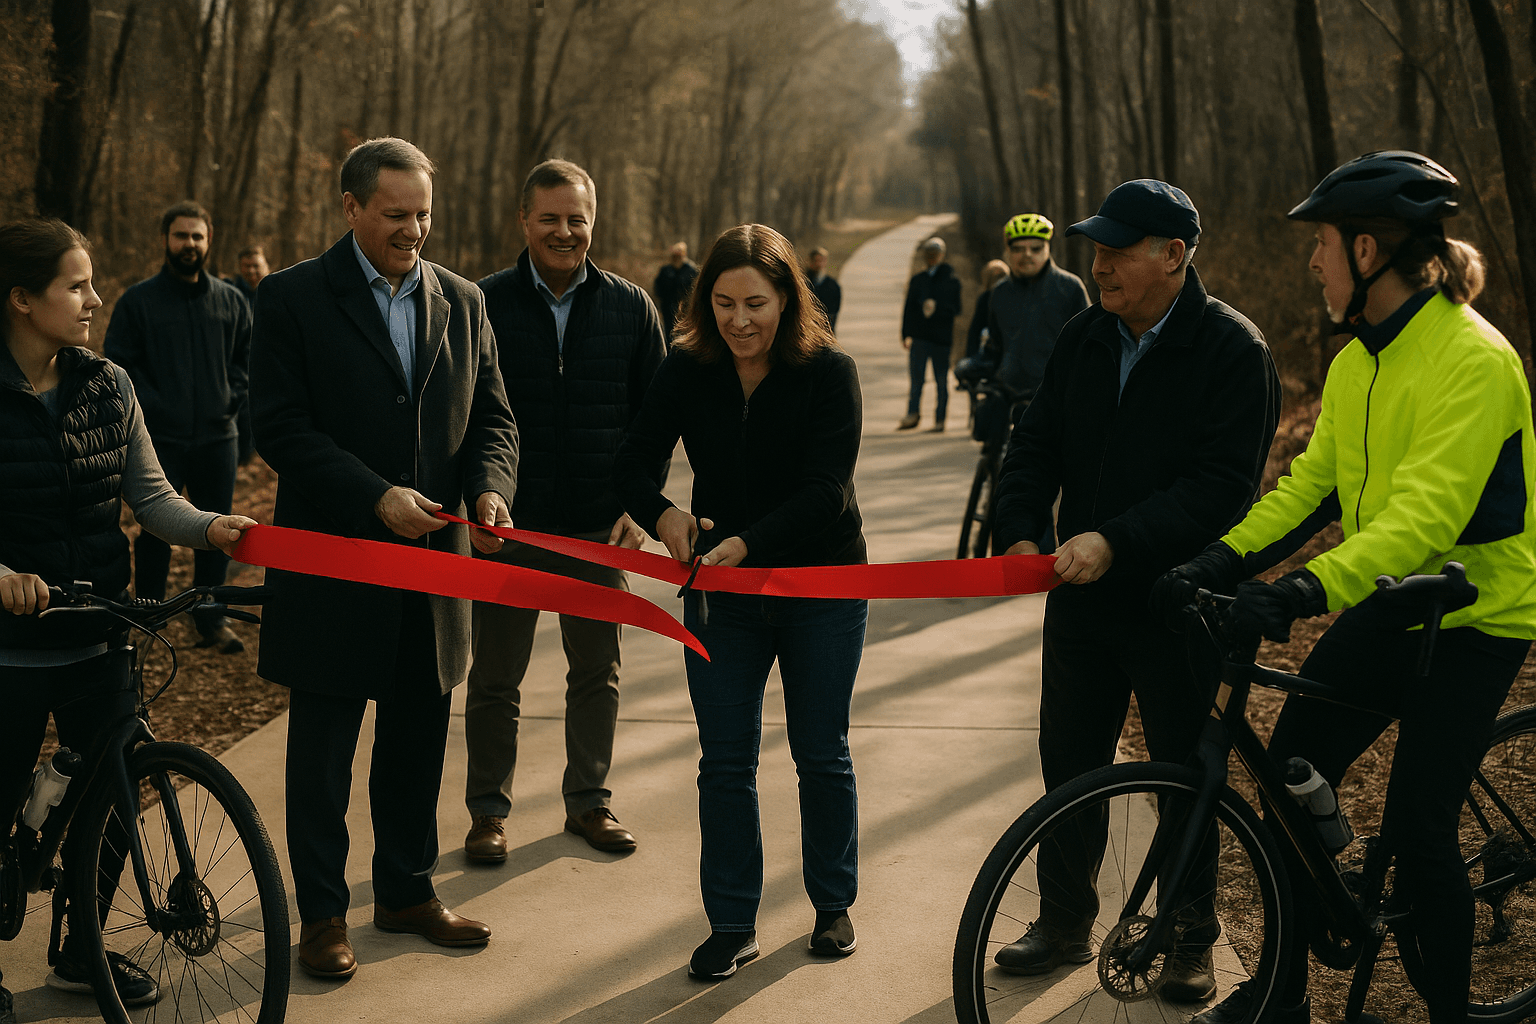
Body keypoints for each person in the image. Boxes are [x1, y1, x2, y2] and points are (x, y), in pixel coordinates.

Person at [1155, 152, 1536, 1024]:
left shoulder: (1474, 361)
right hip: (1391, 600)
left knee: (1420, 833)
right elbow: (1309, 488)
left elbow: (1423, 519)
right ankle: (1281, 996)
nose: (1313, 261)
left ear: (1368, 251)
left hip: (1476, 617)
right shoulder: (1359, 361)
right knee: (1290, 781)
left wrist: (1300, 592)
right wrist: (1219, 561)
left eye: (1322, 244)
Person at [989, 180, 1280, 1001]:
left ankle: (1189, 934)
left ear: (1174, 256)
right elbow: (1035, 442)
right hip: (1079, 602)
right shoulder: (1085, 335)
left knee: (1183, 776)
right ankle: (1064, 920)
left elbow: (1221, 490)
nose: (1100, 263)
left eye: (1118, 250)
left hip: (1177, 605)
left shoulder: (1234, 351)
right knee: (1069, 764)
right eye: (1098, 248)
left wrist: (1115, 541)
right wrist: (1018, 525)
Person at [249, 137, 519, 982]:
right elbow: (281, 428)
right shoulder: (292, 297)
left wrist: (488, 492)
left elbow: (495, 422)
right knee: (323, 756)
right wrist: (373, 496)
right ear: (351, 208)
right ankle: (323, 916)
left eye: (424, 214)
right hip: (334, 569)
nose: (415, 230)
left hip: (436, 572)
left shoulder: (466, 301)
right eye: (397, 215)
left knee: (416, 740)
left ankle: (406, 891)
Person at [0, 218, 255, 1019]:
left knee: (114, 792)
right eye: (76, 285)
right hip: (9, 648)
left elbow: (152, 498)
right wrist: (2, 577)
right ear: (19, 299)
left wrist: (212, 527)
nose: (95, 298)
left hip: (101, 629)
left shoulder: (108, 384)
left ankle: (80, 949)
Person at [613, 223, 868, 981]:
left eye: (756, 302)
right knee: (725, 764)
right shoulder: (686, 369)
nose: (739, 321)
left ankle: (832, 904)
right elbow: (630, 463)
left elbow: (829, 490)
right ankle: (731, 923)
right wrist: (664, 517)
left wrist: (751, 543)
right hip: (720, 596)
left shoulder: (830, 371)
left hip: (821, 587)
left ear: (788, 298)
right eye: (723, 304)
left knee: (820, 754)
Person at [465, 159, 666, 862]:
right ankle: (487, 812)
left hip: (596, 528)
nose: (564, 231)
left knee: (597, 674)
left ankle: (589, 802)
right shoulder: (481, 303)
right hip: (509, 529)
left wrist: (638, 509)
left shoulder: (631, 307)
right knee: (494, 678)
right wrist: (479, 498)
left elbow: (653, 420)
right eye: (549, 218)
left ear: (593, 220)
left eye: (576, 218)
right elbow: (467, 417)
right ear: (524, 222)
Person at [104, 201, 250, 653]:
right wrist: (157, 408)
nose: (189, 244)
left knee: (217, 530)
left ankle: (210, 619)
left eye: (197, 236)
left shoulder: (231, 301)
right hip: (156, 439)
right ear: (166, 240)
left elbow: (247, 361)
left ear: (209, 242)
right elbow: (118, 364)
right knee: (155, 529)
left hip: (217, 439)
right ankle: (150, 616)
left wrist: (228, 399)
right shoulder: (138, 301)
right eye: (181, 236)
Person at [980, 213, 1090, 402]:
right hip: (1007, 394)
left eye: (1036, 248)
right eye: (1018, 249)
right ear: (1008, 251)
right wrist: (976, 366)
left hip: (1054, 397)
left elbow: (1088, 345)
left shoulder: (1070, 288)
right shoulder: (999, 292)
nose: (1027, 254)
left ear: (1048, 248)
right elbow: (995, 346)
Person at [898, 235, 962, 431]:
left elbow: (956, 309)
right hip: (919, 337)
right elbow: (908, 308)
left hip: (941, 338)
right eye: (929, 254)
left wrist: (937, 307)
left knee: (941, 380)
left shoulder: (952, 282)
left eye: (935, 254)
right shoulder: (918, 280)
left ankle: (940, 419)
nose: (932, 257)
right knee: (916, 379)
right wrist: (905, 334)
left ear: (942, 255)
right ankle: (912, 414)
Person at [228, 246, 269, 465]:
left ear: (266, 265)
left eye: (256, 266)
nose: (252, 271)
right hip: (240, 367)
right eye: (247, 266)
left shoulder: (277, 290)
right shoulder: (232, 293)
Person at [963, 258, 1009, 360]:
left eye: (1001, 276)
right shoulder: (985, 298)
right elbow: (975, 330)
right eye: (995, 277)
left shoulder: (1015, 296)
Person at [654, 241, 699, 340]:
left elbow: (696, 290)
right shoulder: (666, 270)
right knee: (668, 333)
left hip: (685, 310)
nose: (676, 258)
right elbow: (658, 288)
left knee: (684, 334)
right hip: (668, 308)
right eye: (675, 255)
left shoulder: (691, 270)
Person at [805, 246, 842, 331]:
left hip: (826, 330)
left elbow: (834, 312)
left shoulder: (833, 285)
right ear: (810, 262)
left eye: (821, 261)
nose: (818, 264)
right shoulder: (803, 283)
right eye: (815, 261)